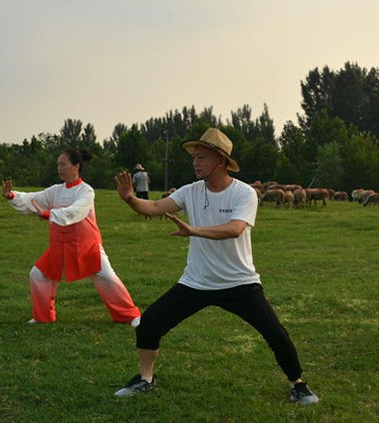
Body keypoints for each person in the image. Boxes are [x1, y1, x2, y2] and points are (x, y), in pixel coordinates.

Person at [113, 128, 319, 405]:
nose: (195, 162)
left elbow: (235, 229)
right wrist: (130, 199)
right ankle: (145, 379)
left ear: (221, 161)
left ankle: (298, 384)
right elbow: (152, 207)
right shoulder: (190, 191)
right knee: (149, 323)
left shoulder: (244, 193)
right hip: (196, 282)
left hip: (239, 282)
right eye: (194, 157)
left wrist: (194, 230)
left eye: (201, 157)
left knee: (274, 333)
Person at [2, 148, 142, 326]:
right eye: (57, 165)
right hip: (60, 247)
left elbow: (75, 212)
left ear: (76, 166)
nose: (59, 168)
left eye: (63, 164)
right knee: (38, 275)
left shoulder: (86, 191)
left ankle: (131, 315)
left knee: (107, 277)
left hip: (87, 246)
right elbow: (33, 198)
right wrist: (12, 195)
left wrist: (47, 214)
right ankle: (42, 317)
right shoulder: (55, 191)